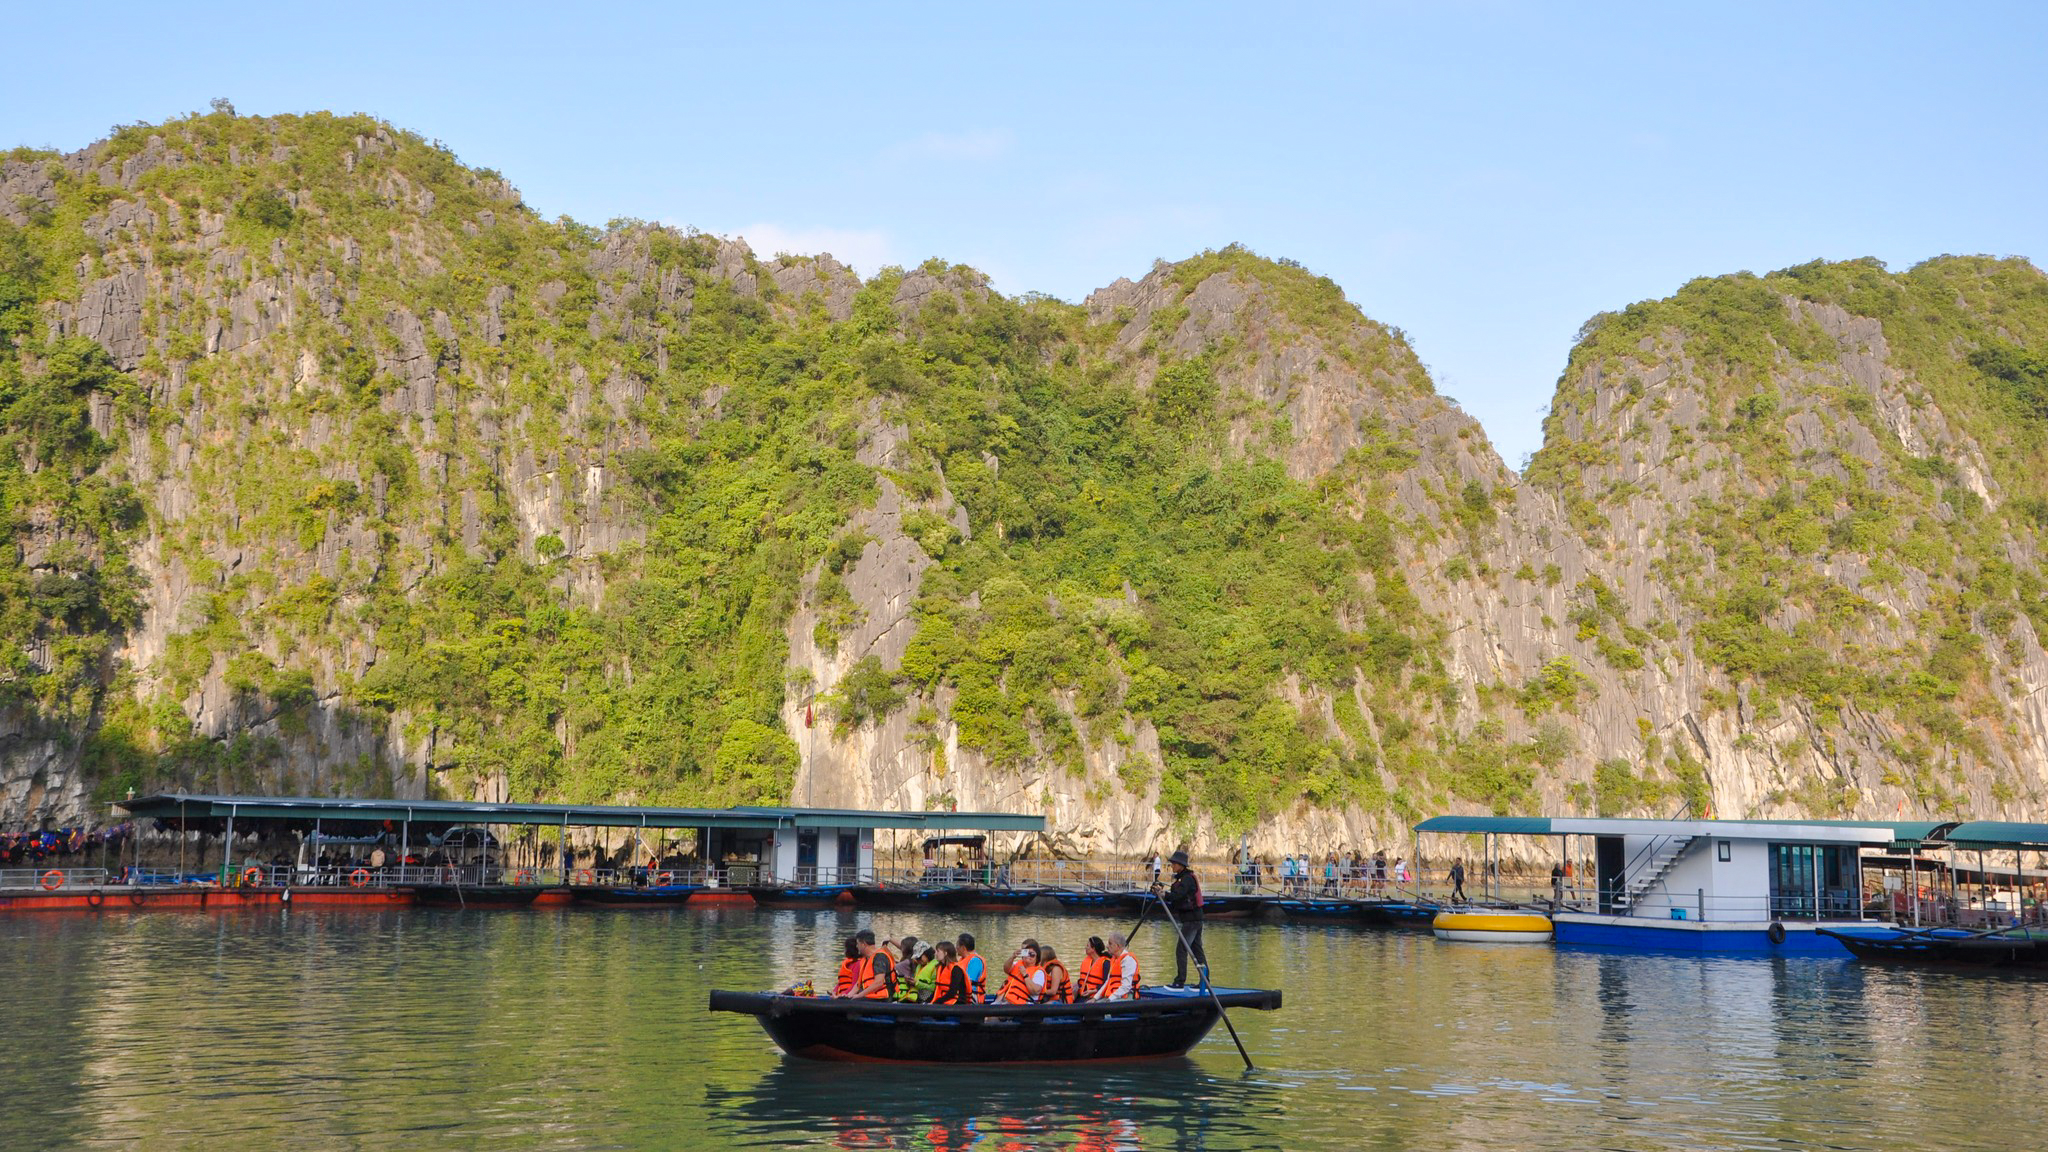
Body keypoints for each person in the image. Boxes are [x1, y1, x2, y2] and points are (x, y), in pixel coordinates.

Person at [1157, 849, 1207, 987]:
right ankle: (1205, 980)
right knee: (1197, 950)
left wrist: (1164, 895)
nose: (1172, 866)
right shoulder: (1182, 878)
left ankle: (1180, 981)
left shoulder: (1187, 879)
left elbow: (1179, 894)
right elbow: (1177, 894)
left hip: (1192, 920)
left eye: (1174, 863)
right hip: (1194, 919)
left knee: (1182, 949)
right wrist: (1164, 893)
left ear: (1181, 865)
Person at [1093, 932, 1141, 1000]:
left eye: (1110, 943)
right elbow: (1108, 981)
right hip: (1114, 997)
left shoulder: (1128, 960)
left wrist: (1110, 999)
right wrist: (1095, 998)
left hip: (1126, 997)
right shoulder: (1114, 960)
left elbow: (1126, 987)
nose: (1107, 946)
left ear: (1117, 946)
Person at [852, 929, 895, 1000]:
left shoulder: (879, 957)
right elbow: (858, 985)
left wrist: (859, 995)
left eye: (858, 943)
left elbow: (879, 982)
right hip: (868, 996)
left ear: (863, 944)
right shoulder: (865, 959)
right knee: (844, 1000)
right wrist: (847, 996)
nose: (857, 946)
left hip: (882, 999)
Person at [999, 939, 1044, 1004]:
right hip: (1007, 1000)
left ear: (1037, 957)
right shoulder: (1017, 964)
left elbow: (1035, 991)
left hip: (1023, 1006)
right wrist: (1012, 957)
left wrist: (1025, 975)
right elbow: (1006, 969)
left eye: (1032, 954)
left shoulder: (1039, 972)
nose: (1028, 956)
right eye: (1025, 952)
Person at [930, 941, 969, 1005]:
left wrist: (936, 1002)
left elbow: (952, 992)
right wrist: (928, 1001)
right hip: (943, 1001)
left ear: (945, 953)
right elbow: (937, 989)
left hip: (956, 1002)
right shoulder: (940, 967)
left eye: (938, 951)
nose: (935, 954)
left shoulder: (956, 969)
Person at [1074, 936, 1110, 1001]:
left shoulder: (1105, 963)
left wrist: (1092, 991)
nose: (1085, 947)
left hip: (1095, 996)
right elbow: (1083, 980)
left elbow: (1107, 983)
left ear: (1093, 949)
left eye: (1087, 946)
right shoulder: (1087, 961)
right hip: (1082, 995)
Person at [957, 932, 989, 1003]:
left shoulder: (975, 961)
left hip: (972, 999)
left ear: (963, 948)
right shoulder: (962, 960)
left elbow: (968, 982)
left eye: (957, 945)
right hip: (961, 995)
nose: (956, 948)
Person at [893, 936, 923, 1002]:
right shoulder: (916, 960)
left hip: (904, 994)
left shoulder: (905, 963)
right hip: (915, 993)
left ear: (905, 950)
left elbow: (894, 968)